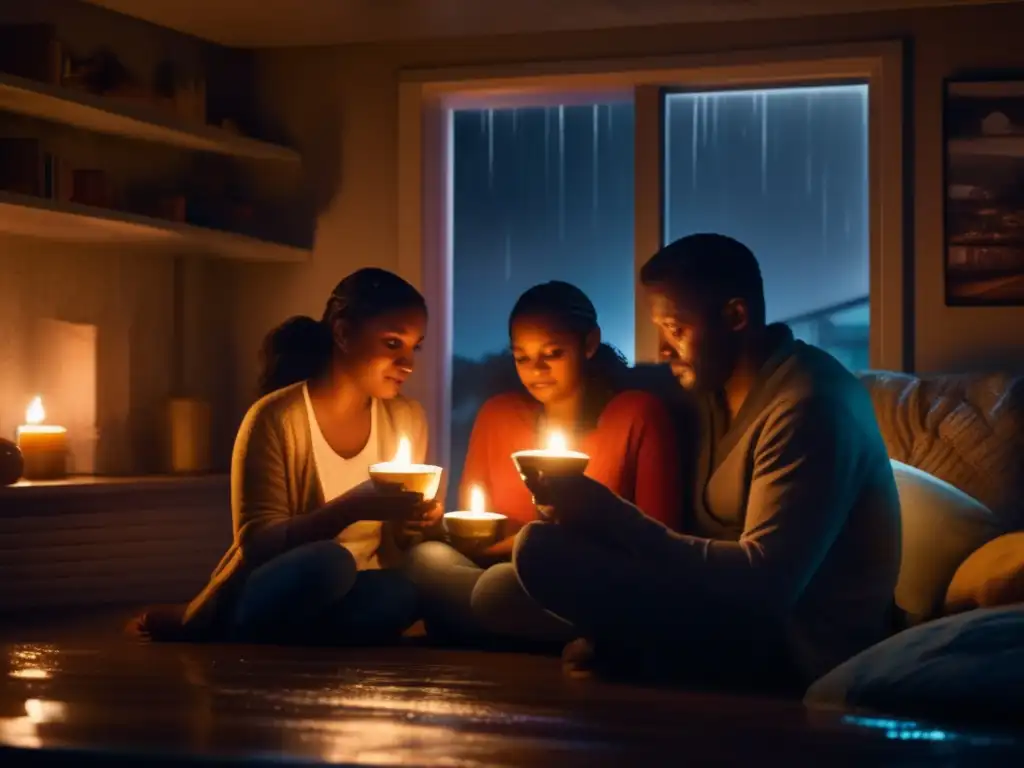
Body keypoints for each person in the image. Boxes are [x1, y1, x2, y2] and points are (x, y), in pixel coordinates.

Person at [512, 234, 902, 692]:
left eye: (675, 329)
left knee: (538, 554)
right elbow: (629, 381)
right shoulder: (711, 392)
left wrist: (611, 516)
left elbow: (766, 586)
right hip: (715, 609)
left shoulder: (809, 405)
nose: (662, 348)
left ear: (736, 316)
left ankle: (638, 646)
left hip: (797, 643)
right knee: (524, 561)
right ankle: (636, 644)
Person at [132, 268, 441, 644]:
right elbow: (257, 543)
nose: (408, 363)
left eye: (416, 346)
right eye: (393, 344)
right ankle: (229, 620)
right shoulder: (276, 418)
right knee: (330, 563)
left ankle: (296, 638)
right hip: (286, 579)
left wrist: (414, 522)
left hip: (358, 586)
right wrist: (351, 508)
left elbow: (398, 541)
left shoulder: (407, 418)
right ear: (343, 333)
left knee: (404, 592)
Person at [407, 281, 681, 645]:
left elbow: (660, 542)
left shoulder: (636, 414)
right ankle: (509, 624)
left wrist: (530, 541)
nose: (536, 369)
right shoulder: (498, 415)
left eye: (552, 353)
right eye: (522, 357)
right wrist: (436, 528)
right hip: (498, 572)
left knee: (496, 590)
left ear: (588, 343)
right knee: (426, 559)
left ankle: (482, 623)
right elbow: (476, 525)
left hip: (589, 584)